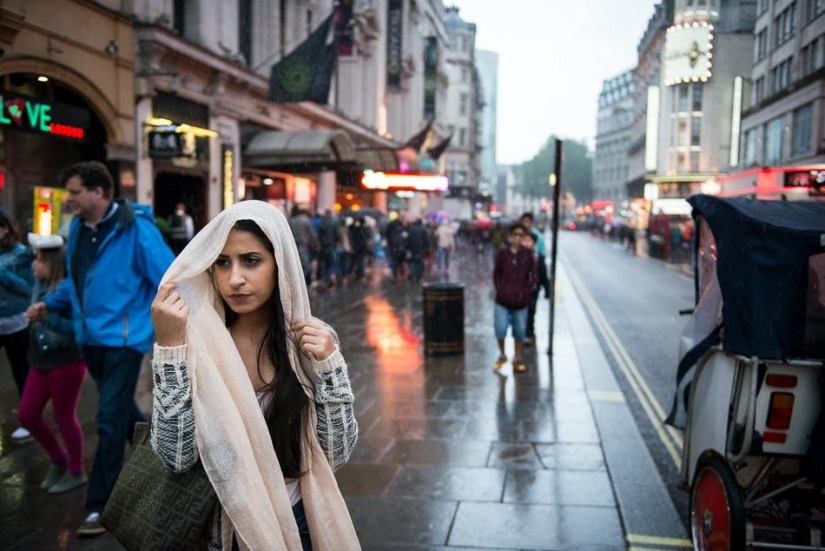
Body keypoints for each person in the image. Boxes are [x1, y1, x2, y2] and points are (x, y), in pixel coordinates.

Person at [149, 200, 359, 550]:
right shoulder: (195, 343)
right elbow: (176, 457)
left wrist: (329, 366)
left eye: (251, 261)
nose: (235, 279)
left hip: (299, 523)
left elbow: (335, 453)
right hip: (224, 528)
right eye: (221, 263)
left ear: (281, 264)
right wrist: (170, 348)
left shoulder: (309, 341)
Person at [27, 161, 174, 537]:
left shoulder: (135, 229)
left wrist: (166, 329)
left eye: (76, 192)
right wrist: (51, 304)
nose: (70, 199)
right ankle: (163, 467)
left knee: (109, 419)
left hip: (124, 342)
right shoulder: (77, 228)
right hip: (90, 340)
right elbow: (76, 284)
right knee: (123, 410)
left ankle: (100, 506)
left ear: (99, 192)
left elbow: (168, 278)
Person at [18, 233, 87, 494]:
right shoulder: (39, 282)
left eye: (39, 260)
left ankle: (76, 470)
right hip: (40, 360)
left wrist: (44, 318)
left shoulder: (68, 289)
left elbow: (76, 329)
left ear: (52, 263)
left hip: (65, 360)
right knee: (26, 414)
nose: (34, 264)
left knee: (64, 417)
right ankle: (58, 459)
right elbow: (21, 255)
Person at [0, 209, 34, 441]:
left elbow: (29, 288)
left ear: (5, 228)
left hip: (16, 323)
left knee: (21, 370)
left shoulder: (21, 254)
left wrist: (2, 274)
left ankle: (29, 421)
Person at [492, 223, 536, 373]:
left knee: (519, 332)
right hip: (502, 300)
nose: (517, 238)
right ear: (510, 236)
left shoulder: (528, 254)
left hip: (521, 301)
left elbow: (532, 276)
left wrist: (526, 292)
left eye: (520, 235)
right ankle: (502, 355)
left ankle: (517, 358)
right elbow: (496, 274)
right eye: (515, 234)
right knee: (500, 329)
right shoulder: (502, 253)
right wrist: (501, 289)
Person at [522, 232, 550, 345]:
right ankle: (522, 333)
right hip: (520, 290)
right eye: (525, 240)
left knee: (531, 312)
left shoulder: (538, 257)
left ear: (534, 243)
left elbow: (543, 275)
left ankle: (529, 333)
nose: (527, 243)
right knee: (521, 313)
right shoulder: (518, 256)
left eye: (529, 240)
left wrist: (547, 290)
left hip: (533, 290)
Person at [288, 206, 318, 287]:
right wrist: (316, 244)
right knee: (305, 266)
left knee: (294, 266)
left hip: (292, 246)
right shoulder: (305, 220)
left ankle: (295, 283)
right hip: (302, 246)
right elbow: (312, 234)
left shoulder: (291, 221)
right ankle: (300, 283)